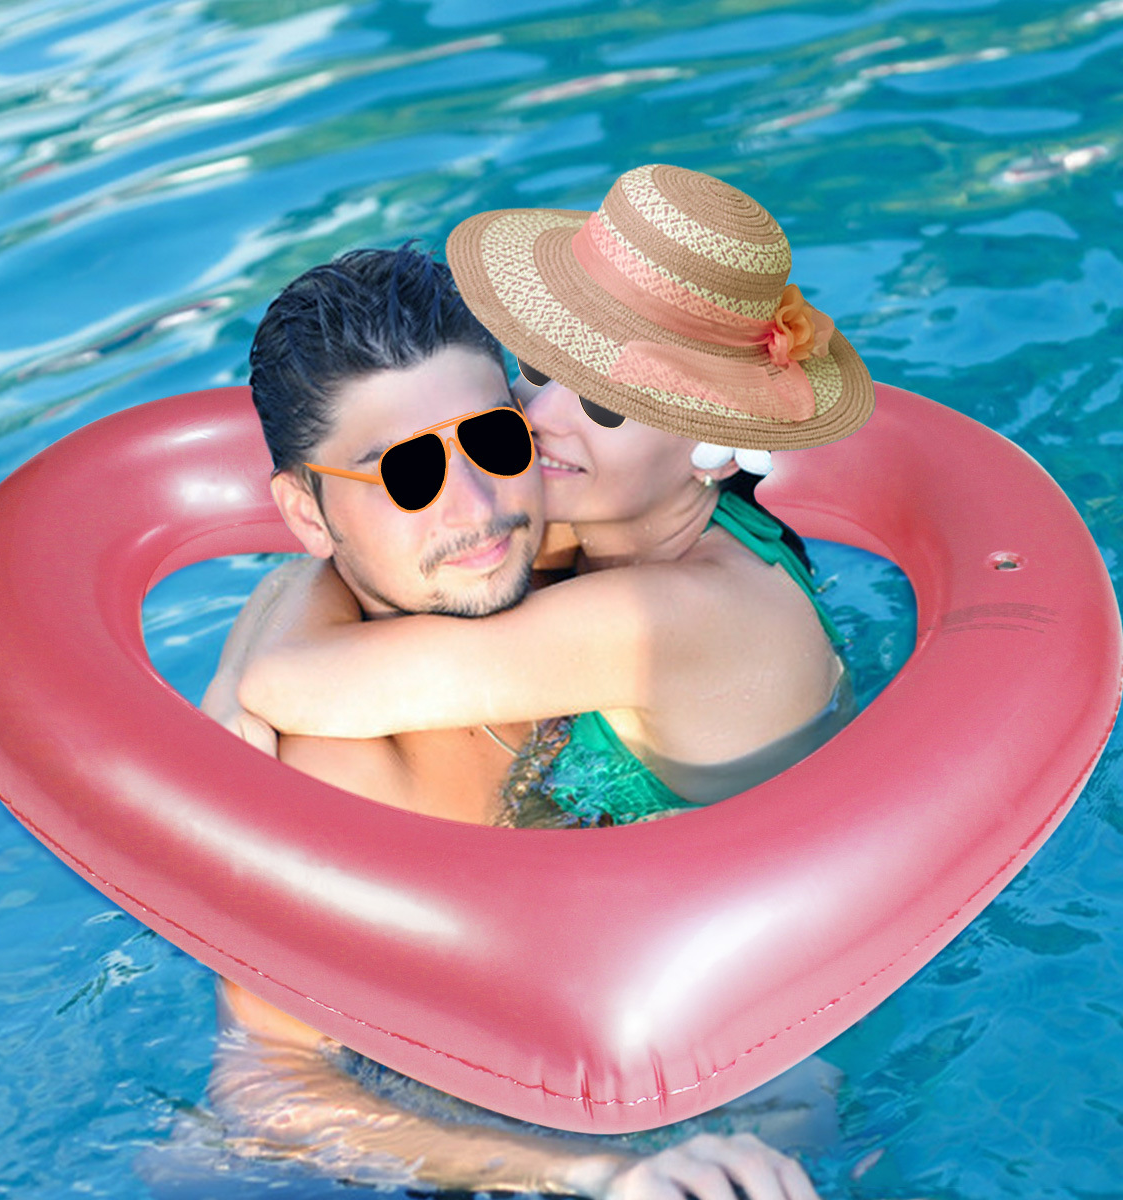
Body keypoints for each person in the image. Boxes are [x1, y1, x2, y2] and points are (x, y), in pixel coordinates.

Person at [191, 243, 829, 1200]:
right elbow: (266, 1089)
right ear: (309, 515)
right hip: (499, 1133)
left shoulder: (571, 566)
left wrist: (248, 654)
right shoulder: (334, 781)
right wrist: (599, 1176)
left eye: (496, 439)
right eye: (407, 474)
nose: (480, 508)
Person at [233, 165, 874, 828]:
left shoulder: (674, 614)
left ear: (717, 446)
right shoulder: (627, 527)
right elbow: (308, 575)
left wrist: (230, 696)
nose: (538, 418)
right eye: (542, 368)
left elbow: (293, 680)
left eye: (605, 405)